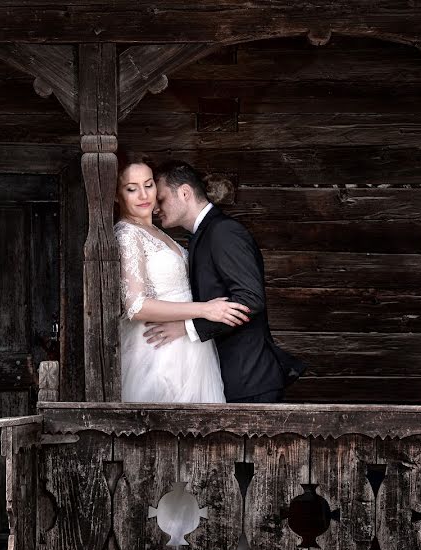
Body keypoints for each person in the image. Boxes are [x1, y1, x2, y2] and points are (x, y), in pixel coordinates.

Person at [144, 160, 305, 403]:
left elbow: (250, 300)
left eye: (162, 198)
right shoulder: (201, 236)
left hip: (248, 378)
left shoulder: (224, 231)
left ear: (185, 192)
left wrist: (186, 329)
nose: (156, 207)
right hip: (227, 376)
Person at [114, 154, 251, 404]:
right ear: (117, 195)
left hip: (190, 346)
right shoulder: (127, 234)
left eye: (149, 185)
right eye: (132, 189)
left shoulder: (157, 232)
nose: (144, 195)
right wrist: (205, 309)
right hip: (158, 350)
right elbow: (135, 306)